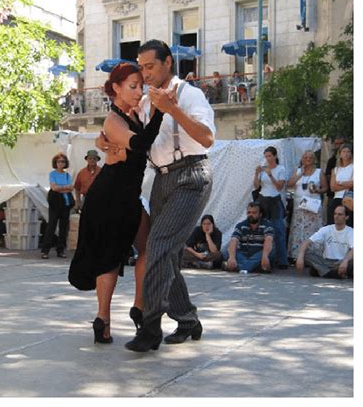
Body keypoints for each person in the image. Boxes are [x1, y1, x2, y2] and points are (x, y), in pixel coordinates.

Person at [122, 39, 215, 352]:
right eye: (142, 67)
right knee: (169, 254)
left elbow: (207, 138)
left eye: (150, 66)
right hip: (161, 179)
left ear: (168, 63)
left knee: (157, 246)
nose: (145, 73)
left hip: (191, 175)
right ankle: (188, 319)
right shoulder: (146, 102)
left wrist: (172, 108)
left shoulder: (190, 94)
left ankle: (150, 327)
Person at [68, 63, 165, 344]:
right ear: (116, 89)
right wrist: (161, 112)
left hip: (120, 195)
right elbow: (141, 143)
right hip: (112, 195)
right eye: (132, 86)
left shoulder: (130, 114)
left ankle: (105, 320)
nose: (139, 92)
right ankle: (136, 308)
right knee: (132, 251)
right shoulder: (113, 120)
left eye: (141, 86)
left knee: (117, 256)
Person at [287, 150, 327, 261]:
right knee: (299, 230)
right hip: (300, 206)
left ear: (314, 160)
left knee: (313, 230)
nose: (307, 159)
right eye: (305, 157)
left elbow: (325, 188)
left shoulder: (319, 172)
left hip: (313, 205)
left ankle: (314, 255)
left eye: (310, 158)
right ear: (302, 159)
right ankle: (297, 255)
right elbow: (289, 184)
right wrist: (301, 174)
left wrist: (318, 190)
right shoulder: (298, 170)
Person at [253, 146, 288, 269]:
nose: (267, 159)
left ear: (275, 156)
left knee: (278, 230)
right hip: (263, 199)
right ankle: (264, 258)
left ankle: (282, 260)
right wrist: (256, 173)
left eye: (269, 156)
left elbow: (279, 187)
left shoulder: (280, 169)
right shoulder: (263, 169)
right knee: (261, 228)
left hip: (274, 200)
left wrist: (271, 175)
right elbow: (256, 186)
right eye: (266, 156)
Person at [296, 205, 353, 279]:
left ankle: (321, 271)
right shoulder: (326, 229)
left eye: (340, 214)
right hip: (325, 261)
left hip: (340, 262)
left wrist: (345, 261)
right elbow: (307, 242)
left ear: (346, 217)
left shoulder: (351, 231)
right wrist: (300, 256)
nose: (336, 216)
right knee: (306, 254)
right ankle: (329, 273)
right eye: (335, 214)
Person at [224, 201, 274, 273]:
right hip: (245, 254)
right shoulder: (241, 225)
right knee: (228, 250)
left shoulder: (267, 225)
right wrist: (232, 257)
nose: (251, 215)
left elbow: (268, 240)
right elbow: (234, 240)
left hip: (260, 254)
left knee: (269, 252)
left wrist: (265, 256)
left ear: (260, 214)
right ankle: (251, 267)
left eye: (254, 213)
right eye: (249, 212)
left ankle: (239, 267)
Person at [41, 153, 74, 259]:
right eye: (59, 161)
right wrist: (64, 187)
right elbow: (54, 188)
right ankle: (45, 250)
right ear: (55, 163)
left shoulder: (67, 175)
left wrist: (61, 188)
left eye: (63, 161)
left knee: (63, 228)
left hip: (65, 202)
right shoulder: (52, 174)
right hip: (55, 202)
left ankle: (61, 250)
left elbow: (71, 188)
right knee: (51, 225)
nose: (61, 163)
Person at [328, 143, 353, 227]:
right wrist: (347, 184)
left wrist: (340, 183)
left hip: (349, 199)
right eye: (344, 151)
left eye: (348, 151)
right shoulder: (335, 169)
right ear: (340, 154)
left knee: (348, 224)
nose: (346, 154)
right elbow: (332, 187)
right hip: (337, 199)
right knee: (333, 223)